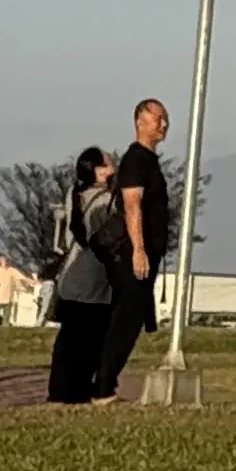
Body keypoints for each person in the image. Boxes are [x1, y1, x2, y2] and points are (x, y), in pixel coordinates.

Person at [95, 99, 173, 400]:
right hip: (132, 255)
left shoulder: (150, 161)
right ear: (140, 122)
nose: (163, 125)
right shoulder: (135, 160)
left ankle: (106, 381)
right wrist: (138, 249)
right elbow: (132, 205)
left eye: (165, 119)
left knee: (133, 318)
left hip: (149, 253)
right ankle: (102, 384)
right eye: (157, 119)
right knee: (125, 319)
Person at [46, 146, 121, 404]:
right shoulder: (106, 201)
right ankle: (80, 390)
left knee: (69, 339)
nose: (114, 168)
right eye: (110, 165)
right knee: (91, 339)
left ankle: (60, 390)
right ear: (100, 171)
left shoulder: (73, 194)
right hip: (95, 278)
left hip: (71, 277)